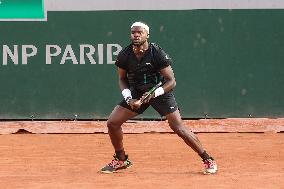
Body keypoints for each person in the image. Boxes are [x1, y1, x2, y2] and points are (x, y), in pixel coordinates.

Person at [100, 21, 217, 174]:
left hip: (160, 91)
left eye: (139, 32)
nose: (135, 35)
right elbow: (122, 79)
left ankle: (207, 159)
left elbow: (171, 81)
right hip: (136, 92)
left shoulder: (157, 53)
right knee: (112, 123)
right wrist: (129, 98)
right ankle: (121, 159)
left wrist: (154, 94)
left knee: (179, 128)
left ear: (147, 35)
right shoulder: (125, 54)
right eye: (133, 32)